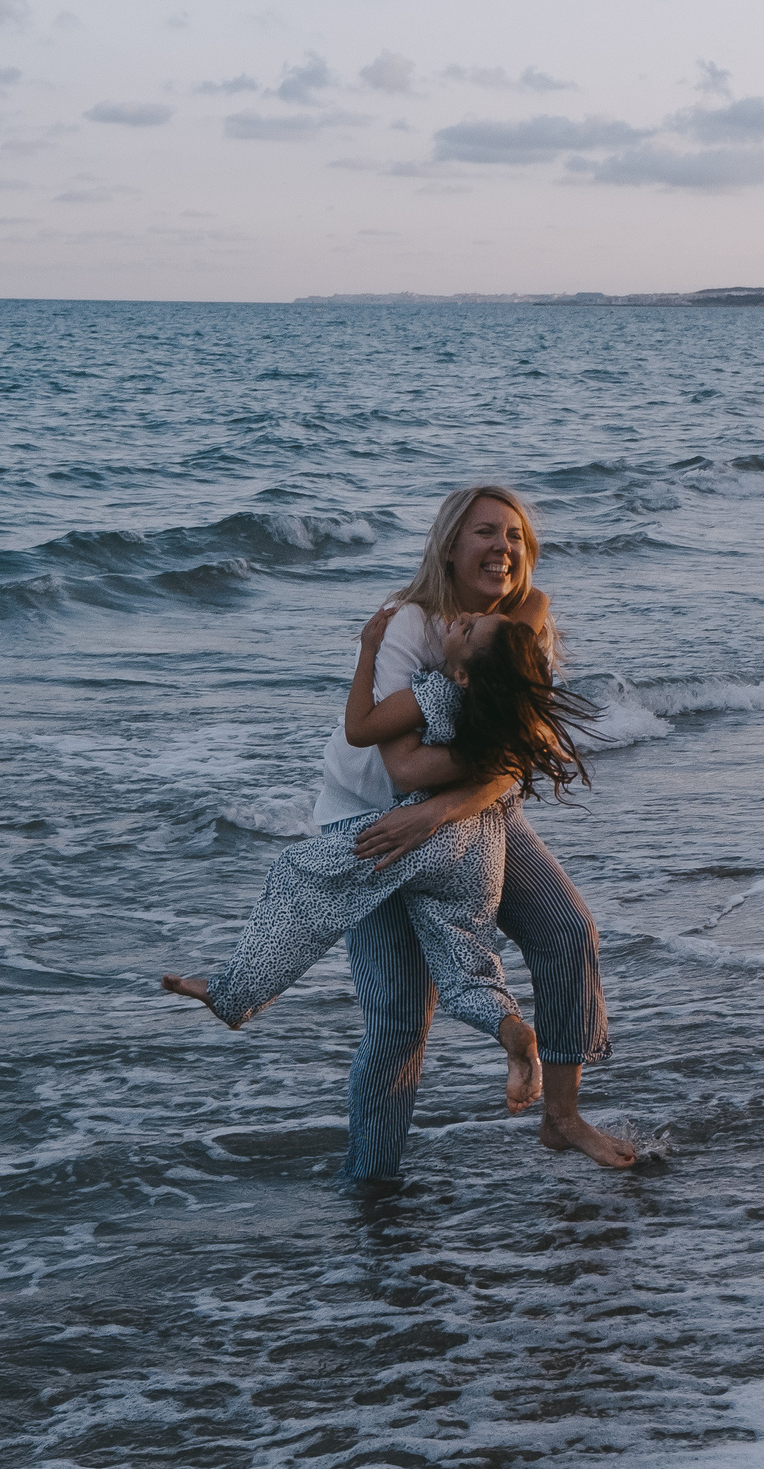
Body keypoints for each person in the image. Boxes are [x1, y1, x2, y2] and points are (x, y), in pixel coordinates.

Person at [159, 609, 592, 1117]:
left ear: (464, 675)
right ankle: (509, 1028)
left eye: (470, 629)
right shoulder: (504, 722)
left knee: (301, 877)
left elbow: (360, 729)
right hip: (481, 847)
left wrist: (368, 649)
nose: (466, 618)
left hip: (422, 837)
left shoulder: (438, 692)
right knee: (463, 959)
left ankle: (232, 993)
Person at [322, 484, 636, 1182]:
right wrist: (453, 790)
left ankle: (561, 1117)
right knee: (401, 1021)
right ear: (450, 545)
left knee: (567, 929)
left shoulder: (518, 636)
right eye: (486, 532)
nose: (503, 547)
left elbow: (518, 755)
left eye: (515, 536)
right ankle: (372, 1190)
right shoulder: (411, 625)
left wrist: (441, 810)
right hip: (370, 821)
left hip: (462, 809)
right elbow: (398, 761)